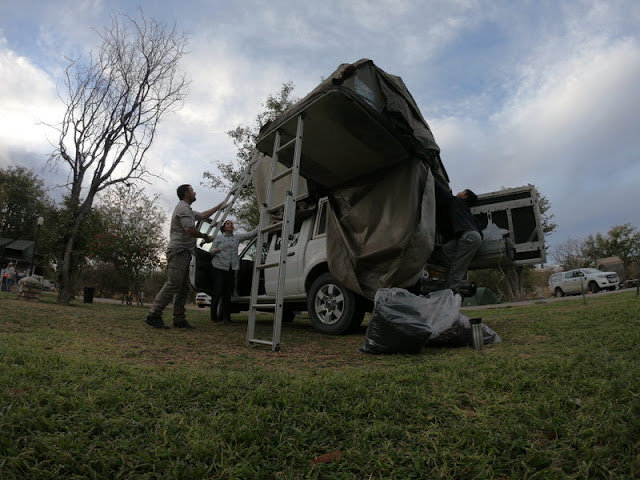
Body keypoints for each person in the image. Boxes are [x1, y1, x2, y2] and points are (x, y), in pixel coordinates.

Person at [145, 184, 224, 329]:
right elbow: (189, 229)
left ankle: (179, 320)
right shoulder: (182, 208)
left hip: (184, 252)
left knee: (183, 288)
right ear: (186, 193)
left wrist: (219, 206)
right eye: (192, 190)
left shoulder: (188, 209)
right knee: (174, 284)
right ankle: (154, 315)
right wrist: (205, 236)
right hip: (179, 251)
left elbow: (204, 215)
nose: (195, 192)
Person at [433, 180, 483, 292]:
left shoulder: (456, 202)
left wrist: (430, 177)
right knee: (445, 250)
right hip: (470, 237)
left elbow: (442, 192)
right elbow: (479, 226)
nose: (458, 192)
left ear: (464, 196)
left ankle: (451, 290)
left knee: (458, 265)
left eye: (461, 191)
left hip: (468, 237)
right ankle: (453, 276)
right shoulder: (467, 212)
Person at [209, 220, 257, 324]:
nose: (230, 225)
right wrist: (216, 250)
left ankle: (227, 318)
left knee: (227, 293)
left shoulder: (237, 238)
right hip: (219, 267)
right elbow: (211, 251)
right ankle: (214, 318)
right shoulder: (219, 238)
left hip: (231, 268)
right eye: (228, 223)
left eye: (231, 224)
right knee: (218, 292)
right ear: (224, 227)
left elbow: (250, 234)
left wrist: (263, 223)